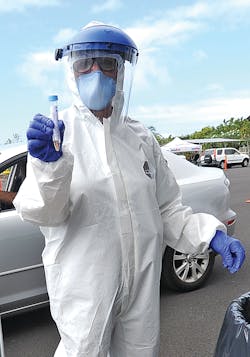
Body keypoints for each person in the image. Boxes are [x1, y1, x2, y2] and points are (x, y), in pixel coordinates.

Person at [13, 22, 245, 357]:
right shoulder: (59, 135)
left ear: (121, 71)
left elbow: (166, 208)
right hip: (85, 292)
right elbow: (44, 213)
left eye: (107, 63)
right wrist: (49, 167)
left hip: (141, 289)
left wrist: (211, 236)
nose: (96, 72)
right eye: (85, 64)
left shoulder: (140, 138)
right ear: (72, 72)